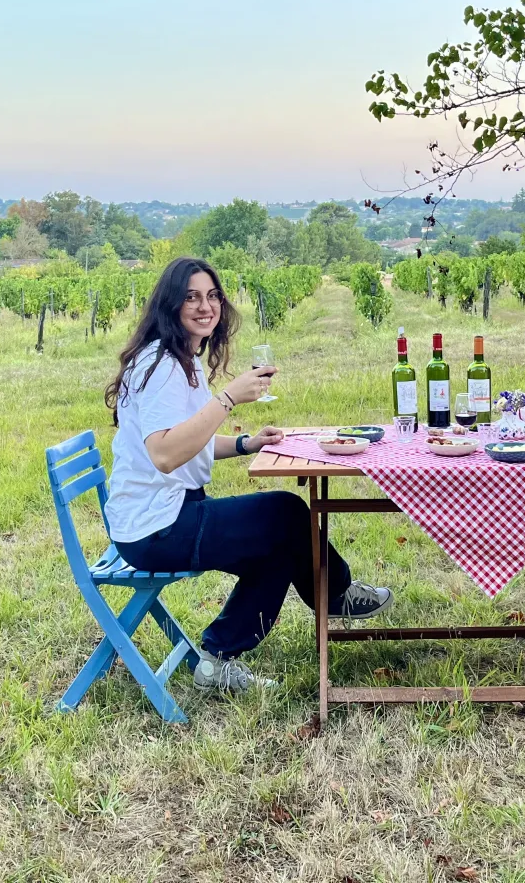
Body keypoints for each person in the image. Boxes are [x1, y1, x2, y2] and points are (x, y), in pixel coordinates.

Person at [103, 256, 393, 695]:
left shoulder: (180, 358)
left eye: (212, 296)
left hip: (163, 515)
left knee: (279, 546)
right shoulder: (163, 367)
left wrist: (245, 444)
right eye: (191, 297)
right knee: (286, 513)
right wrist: (228, 399)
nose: (206, 306)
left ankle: (216, 660)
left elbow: (187, 440)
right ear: (170, 305)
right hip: (155, 527)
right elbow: (164, 454)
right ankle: (335, 597)